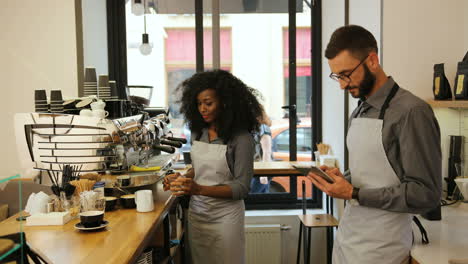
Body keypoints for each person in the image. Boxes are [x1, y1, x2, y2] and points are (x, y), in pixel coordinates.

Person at [307, 25, 441, 264]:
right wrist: (344, 179)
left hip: (384, 249)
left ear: (372, 60)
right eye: (337, 76)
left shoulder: (411, 112)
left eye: (347, 74)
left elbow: (426, 194)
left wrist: (354, 193)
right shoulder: (360, 110)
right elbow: (369, 174)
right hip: (349, 241)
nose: (342, 85)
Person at [163, 70, 263, 264]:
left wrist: (198, 189)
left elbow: (242, 188)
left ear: (225, 103)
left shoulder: (242, 139)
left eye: (208, 103)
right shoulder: (198, 132)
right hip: (198, 214)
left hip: (226, 218)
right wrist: (182, 178)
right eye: (199, 103)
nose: (203, 109)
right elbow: (199, 169)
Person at [250, 107, 273, 193]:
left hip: (262, 169)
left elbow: (267, 152)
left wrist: (264, 174)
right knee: (263, 197)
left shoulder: (263, 128)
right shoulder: (255, 129)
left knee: (253, 197)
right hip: (257, 169)